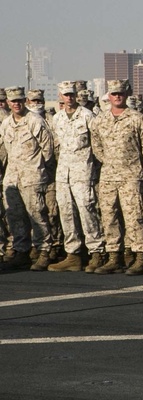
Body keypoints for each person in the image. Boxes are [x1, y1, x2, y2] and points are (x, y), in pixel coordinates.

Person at [89, 79, 143, 275]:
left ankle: (139, 255)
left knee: (136, 217)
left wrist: (136, 168)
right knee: (109, 217)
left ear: (126, 95)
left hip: (131, 176)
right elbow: (97, 147)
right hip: (108, 176)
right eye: (114, 94)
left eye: (121, 94)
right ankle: (114, 256)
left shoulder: (137, 119)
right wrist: (110, 163)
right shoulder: (100, 120)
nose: (117, 97)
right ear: (108, 96)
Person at [48, 80, 104, 272]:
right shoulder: (57, 119)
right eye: (66, 95)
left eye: (72, 94)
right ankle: (73, 254)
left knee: (87, 210)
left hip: (83, 170)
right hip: (64, 172)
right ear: (60, 97)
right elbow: (57, 147)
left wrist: (94, 171)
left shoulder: (87, 116)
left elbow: (97, 145)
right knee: (66, 212)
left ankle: (96, 251)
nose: (69, 98)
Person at [0, 86, 55, 271]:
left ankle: (44, 251)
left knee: (37, 214)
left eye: (19, 100)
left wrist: (42, 170)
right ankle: (22, 251)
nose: (16, 104)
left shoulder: (35, 120)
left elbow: (48, 149)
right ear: (8, 102)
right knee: (15, 216)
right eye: (13, 101)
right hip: (13, 177)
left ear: (25, 101)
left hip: (32, 175)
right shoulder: (6, 123)